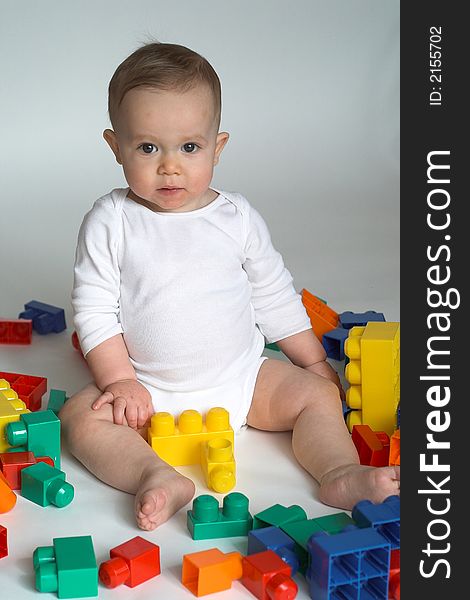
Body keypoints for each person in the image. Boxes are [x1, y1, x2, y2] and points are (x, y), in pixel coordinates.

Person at [61, 42, 399, 531]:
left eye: (190, 147)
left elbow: (274, 293)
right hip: (149, 387)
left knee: (319, 397)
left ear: (217, 148)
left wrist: (310, 362)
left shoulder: (235, 217)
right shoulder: (110, 220)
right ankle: (155, 476)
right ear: (116, 147)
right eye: (148, 147)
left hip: (242, 379)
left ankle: (338, 472)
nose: (169, 165)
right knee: (80, 417)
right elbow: (93, 309)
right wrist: (120, 382)